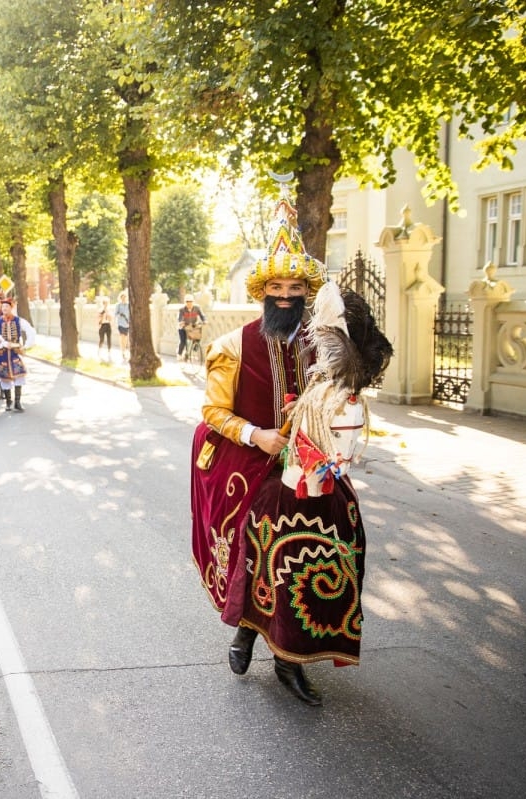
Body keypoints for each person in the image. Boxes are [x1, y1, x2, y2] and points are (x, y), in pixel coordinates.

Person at [189, 193, 390, 707]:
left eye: (295, 287)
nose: (284, 295)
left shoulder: (324, 341)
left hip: (312, 461)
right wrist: (260, 436)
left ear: (306, 292)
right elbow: (213, 413)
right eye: (275, 286)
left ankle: (290, 658)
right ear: (262, 291)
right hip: (253, 460)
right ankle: (247, 634)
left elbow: (340, 391)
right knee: (267, 543)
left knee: (338, 532)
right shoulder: (232, 346)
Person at [0, 297, 36, 411]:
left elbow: (30, 330)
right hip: (3, 353)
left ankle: (17, 402)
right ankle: (9, 401)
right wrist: (2, 343)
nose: (4, 308)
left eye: (6, 306)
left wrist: (26, 345)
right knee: (5, 378)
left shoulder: (18, 320)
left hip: (15, 352)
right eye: (3, 306)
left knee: (19, 376)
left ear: (11, 308)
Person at [177, 294, 207, 361]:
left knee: (198, 337)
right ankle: (179, 354)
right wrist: (181, 322)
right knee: (183, 341)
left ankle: (192, 351)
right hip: (183, 327)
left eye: (190, 302)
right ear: (185, 302)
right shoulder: (182, 310)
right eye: (187, 302)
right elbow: (180, 318)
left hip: (193, 326)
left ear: (193, 302)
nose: (189, 303)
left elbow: (202, 315)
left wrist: (204, 320)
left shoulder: (197, 308)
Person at [115, 290, 132, 362]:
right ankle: (123, 352)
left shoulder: (129, 305)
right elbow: (115, 314)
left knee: (126, 338)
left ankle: (124, 350)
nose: (123, 298)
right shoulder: (118, 305)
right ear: (120, 298)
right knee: (122, 337)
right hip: (120, 323)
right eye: (122, 297)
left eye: (124, 297)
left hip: (127, 324)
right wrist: (120, 314)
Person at [97, 297, 114, 361]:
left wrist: (108, 314)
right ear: (103, 303)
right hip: (102, 325)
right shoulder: (100, 310)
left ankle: (109, 351)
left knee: (109, 338)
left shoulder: (109, 310)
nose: (105, 304)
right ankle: (99, 350)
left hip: (108, 325)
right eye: (104, 303)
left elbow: (111, 319)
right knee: (102, 339)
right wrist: (102, 315)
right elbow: (98, 319)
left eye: (107, 303)